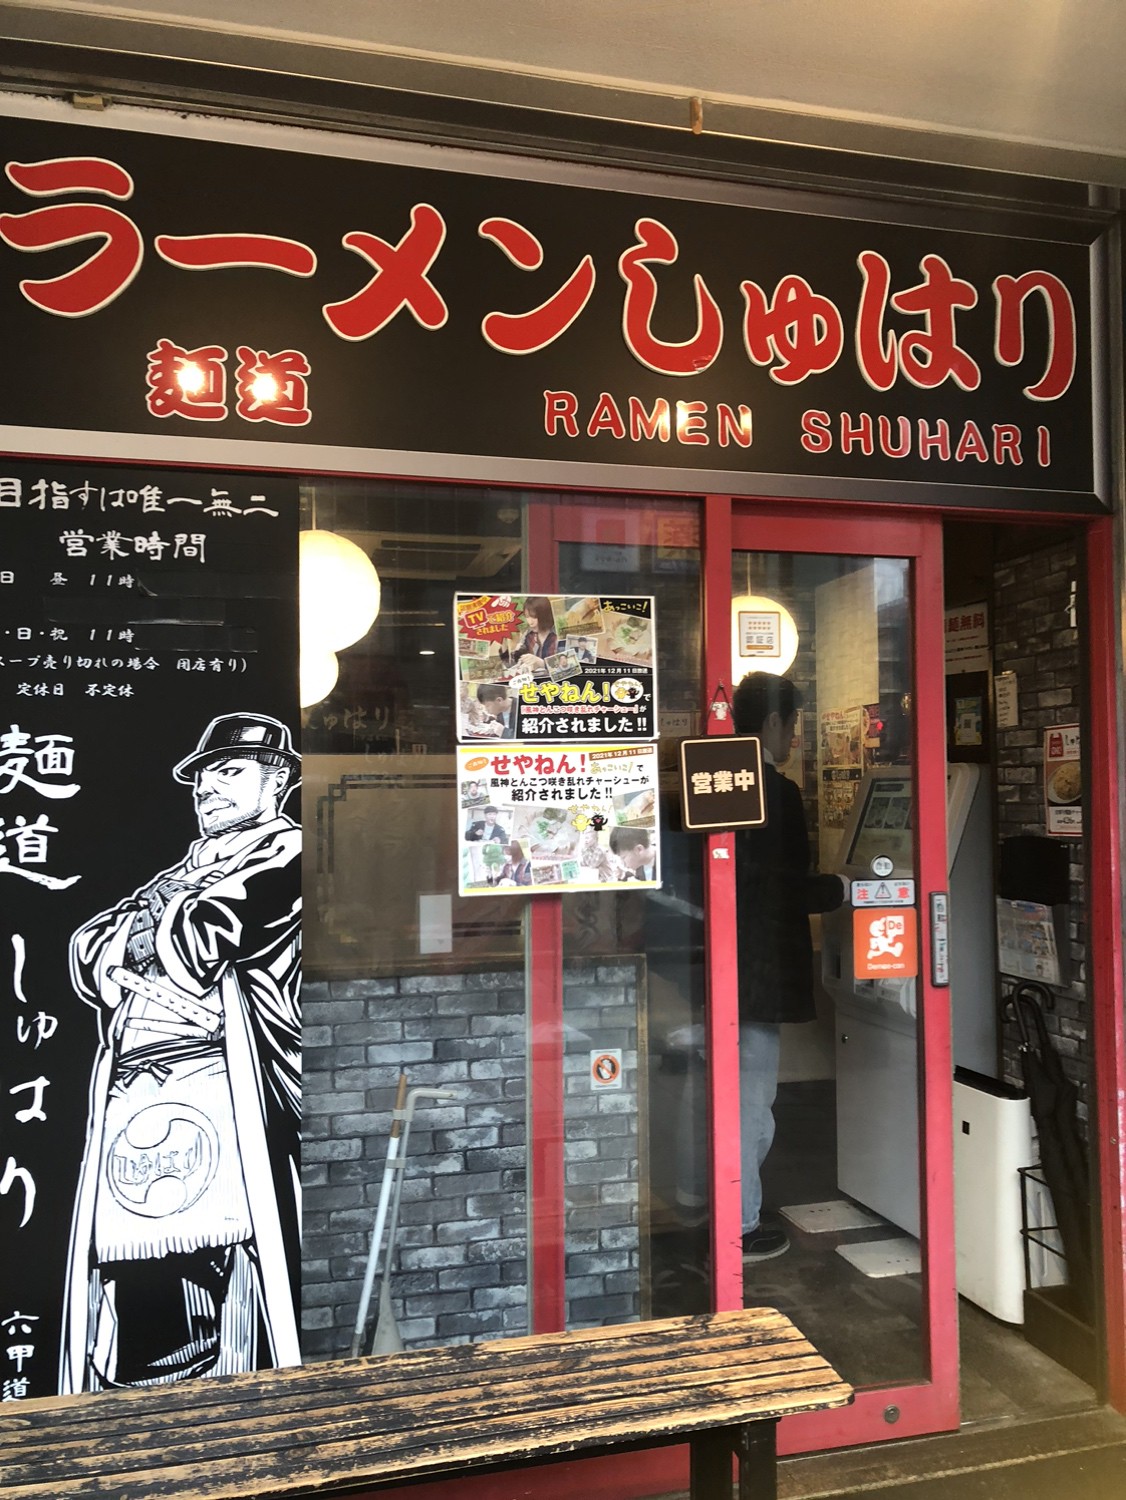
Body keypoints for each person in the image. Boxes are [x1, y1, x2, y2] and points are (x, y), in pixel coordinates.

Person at [60, 712, 302, 1391]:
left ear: (276, 780)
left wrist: (148, 925)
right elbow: (89, 949)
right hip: (137, 1090)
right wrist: (155, 920)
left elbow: (207, 934)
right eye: (202, 777)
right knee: (138, 1281)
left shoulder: (287, 852)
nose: (207, 788)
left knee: (225, 1269)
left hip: (226, 1082)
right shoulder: (188, 867)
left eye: (229, 771)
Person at [732, 673, 845, 1262]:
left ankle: (711, 1204)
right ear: (773, 722)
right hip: (759, 969)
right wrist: (841, 889)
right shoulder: (775, 791)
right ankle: (740, 1225)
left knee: (725, 1093)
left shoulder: (707, 781)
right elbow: (784, 886)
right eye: (794, 724)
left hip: (713, 963)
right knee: (751, 1101)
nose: (794, 736)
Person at [514, 595, 558, 676]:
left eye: (534, 617)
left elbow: (570, 666)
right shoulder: (528, 635)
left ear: (544, 615)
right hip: (533, 682)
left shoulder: (558, 635)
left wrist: (541, 663)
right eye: (527, 617)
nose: (530, 622)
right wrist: (518, 655)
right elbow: (513, 664)